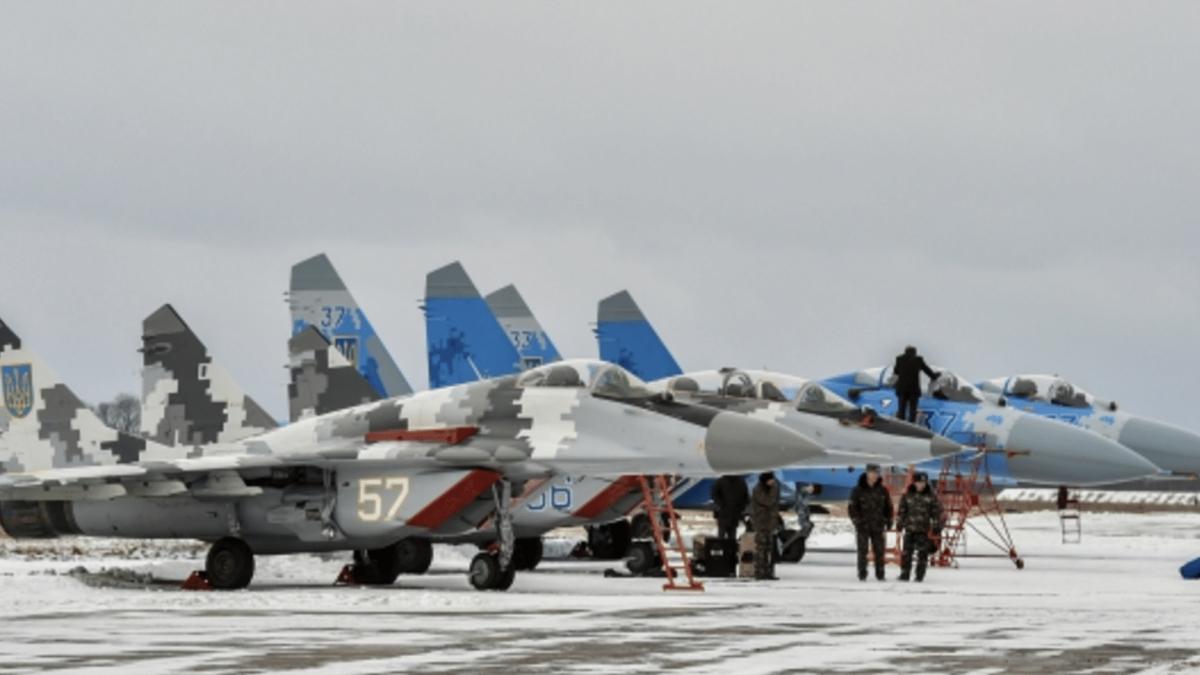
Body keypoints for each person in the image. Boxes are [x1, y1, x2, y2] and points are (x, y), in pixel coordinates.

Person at [848, 464, 893, 581]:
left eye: (877, 473)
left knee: (880, 551)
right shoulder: (857, 490)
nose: (875, 476)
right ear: (867, 473)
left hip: (878, 526)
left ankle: (880, 574)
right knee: (862, 551)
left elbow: (888, 507)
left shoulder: (883, 491)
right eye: (872, 473)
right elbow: (852, 508)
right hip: (863, 526)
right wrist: (857, 522)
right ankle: (862, 573)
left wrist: (889, 521)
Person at [897, 472, 942, 582]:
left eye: (923, 482)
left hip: (923, 530)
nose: (921, 485)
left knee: (923, 554)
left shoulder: (931, 496)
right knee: (906, 553)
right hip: (909, 529)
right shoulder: (907, 495)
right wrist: (900, 524)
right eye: (919, 482)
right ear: (914, 483)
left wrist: (937, 526)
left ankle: (919, 575)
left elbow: (936, 512)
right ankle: (904, 574)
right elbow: (902, 511)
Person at [893, 345, 937, 423]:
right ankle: (911, 425)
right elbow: (927, 370)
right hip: (913, 389)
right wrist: (934, 376)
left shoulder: (899, 359)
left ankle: (900, 424)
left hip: (902, 389)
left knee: (901, 409)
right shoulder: (918, 360)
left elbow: (896, 371)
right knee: (913, 410)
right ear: (915, 352)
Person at [750, 472, 781, 580]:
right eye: (770, 480)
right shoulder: (758, 489)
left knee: (768, 547)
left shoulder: (771, 488)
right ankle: (759, 571)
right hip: (761, 522)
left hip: (769, 522)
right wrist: (774, 489)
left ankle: (767, 571)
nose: (772, 482)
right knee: (761, 548)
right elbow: (768, 501)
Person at [710, 474, 750, 540]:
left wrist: (720, 505)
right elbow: (746, 498)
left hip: (724, 513)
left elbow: (714, 494)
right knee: (731, 536)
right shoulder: (741, 482)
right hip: (732, 513)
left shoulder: (720, 481)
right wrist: (741, 508)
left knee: (722, 536)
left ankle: (724, 549)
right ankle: (730, 549)